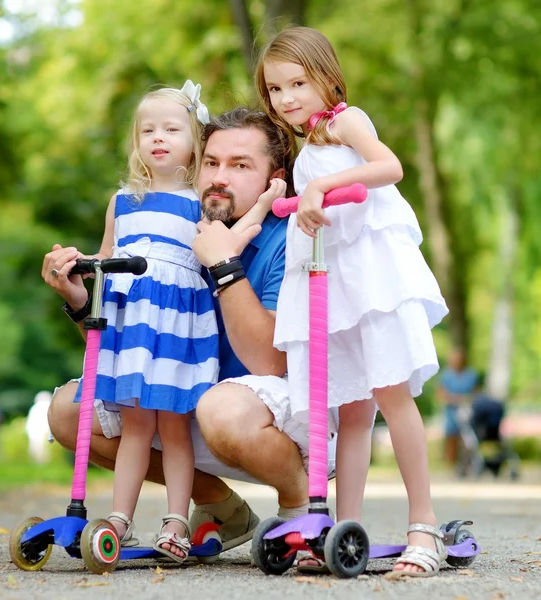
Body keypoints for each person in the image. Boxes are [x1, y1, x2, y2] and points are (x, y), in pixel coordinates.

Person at [41, 106, 320, 562]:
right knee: (69, 410)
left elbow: (273, 364)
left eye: (240, 165)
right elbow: (127, 349)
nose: (219, 177)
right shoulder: (172, 221)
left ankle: (297, 505)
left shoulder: (285, 236)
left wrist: (224, 266)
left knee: (221, 408)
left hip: (267, 422)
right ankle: (222, 507)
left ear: (275, 177)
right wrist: (78, 300)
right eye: (212, 162)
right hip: (183, 404)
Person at [255, 26, 449, 576]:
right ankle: (343, 532)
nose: (287, 97)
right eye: (275, 89)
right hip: (330, 275)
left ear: (326, 76)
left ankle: (424, 527)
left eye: (298, 82)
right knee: (352, 411)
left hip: (369, 274)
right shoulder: (306, 144)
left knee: (391, 395)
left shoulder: (345, 120)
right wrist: (291, 196)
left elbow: (390, 167)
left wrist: (315, 191)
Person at [437, 347, 479, 465]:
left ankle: (466, 462)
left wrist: (465, 400)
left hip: (467, 410)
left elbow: (475, 393)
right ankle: (451, 462)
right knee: (451, 436)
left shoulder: (471, 374)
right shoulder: (446, 375)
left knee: (466, 436)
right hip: (451, 410)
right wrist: (458, 399)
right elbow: (441, 394)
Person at [25, 391, 52, 464]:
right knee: (43, 449)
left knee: (36, 448)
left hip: (35, 431)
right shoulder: (48, 407)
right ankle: (42, 463)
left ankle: (39, 463)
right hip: (42, 431)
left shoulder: (34, 408)